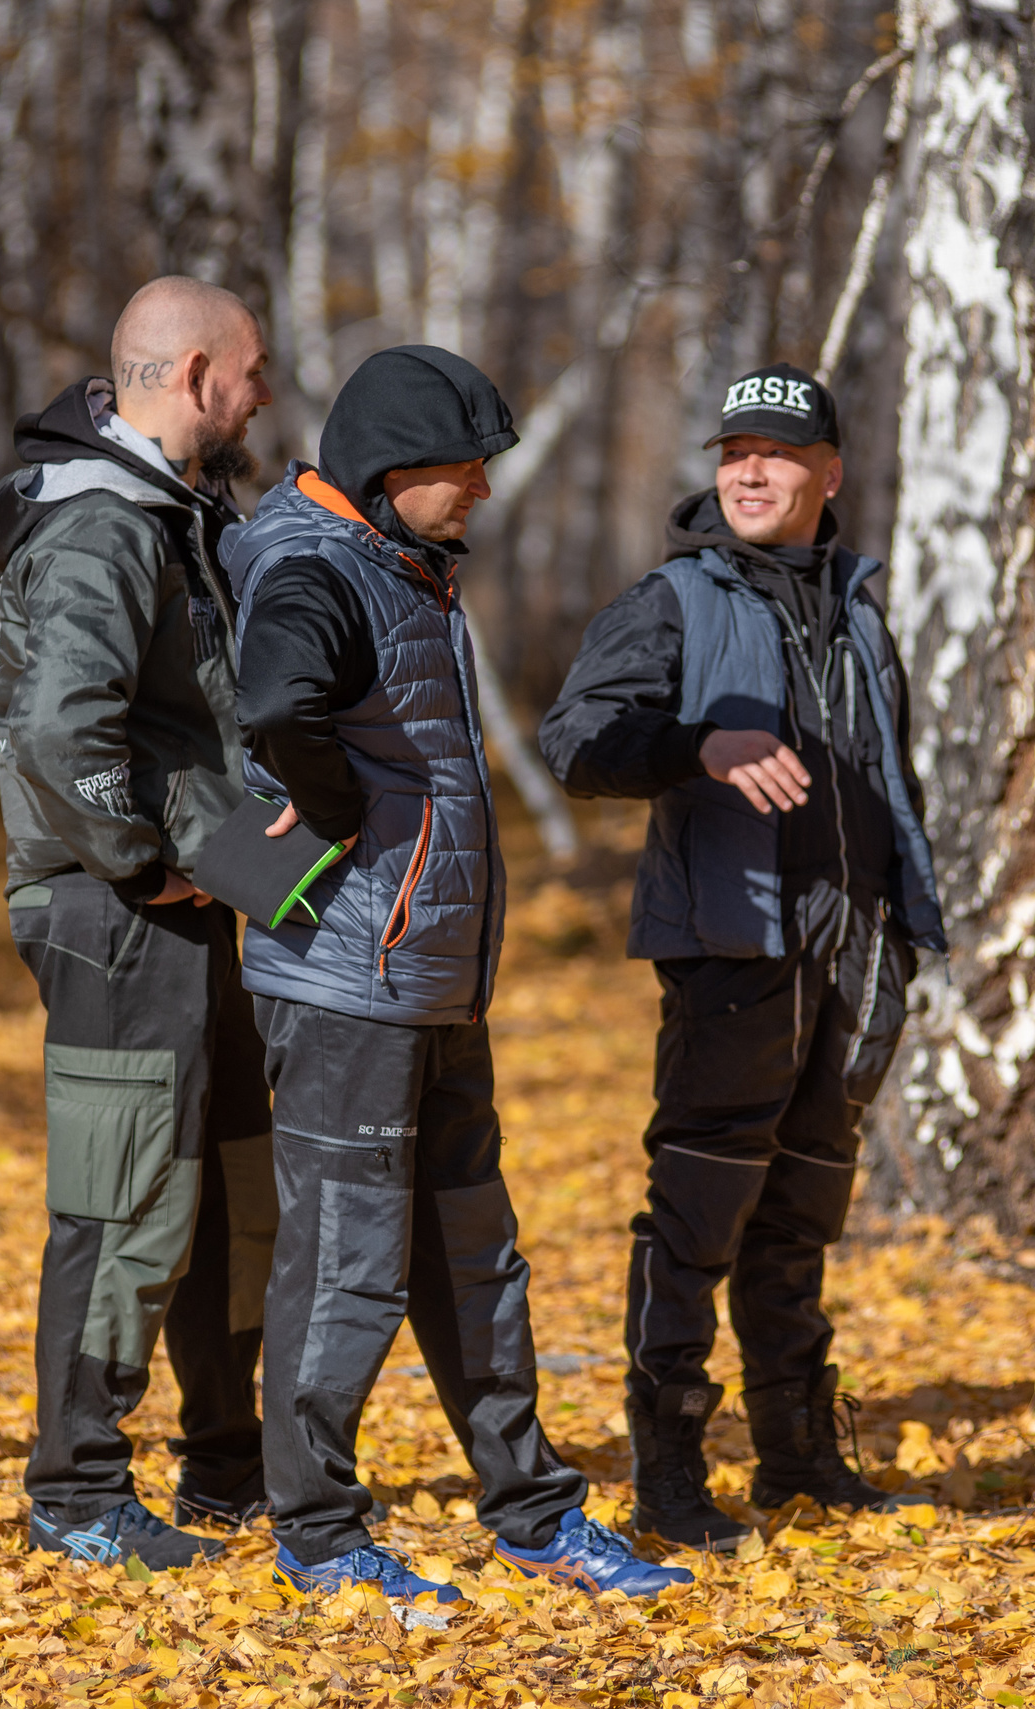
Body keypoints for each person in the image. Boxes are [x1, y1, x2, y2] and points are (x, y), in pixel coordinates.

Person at [222, 346, 692, 1611]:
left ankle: (533, 1510)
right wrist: (331, 811)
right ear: (392, 472)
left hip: (423, 979)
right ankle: (318, 1533)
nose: (482, 488)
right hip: (343, 984)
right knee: (343, 1264)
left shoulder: (398, 565)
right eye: (467, 468)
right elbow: (275, 704)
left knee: (474, 1254)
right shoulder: (315, 564)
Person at [538, 361, 948, 1551]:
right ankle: (666, 1468)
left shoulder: (858, 601)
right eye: (731, 453)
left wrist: (904, 916)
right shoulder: (673, 600)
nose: (749, 470)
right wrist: (696, 744)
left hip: (854, 949)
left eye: (775, 452)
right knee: (697, 1215)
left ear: (830, 473)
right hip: (733, 946)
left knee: (801, 1208)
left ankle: (798, 1457)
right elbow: (578, 739)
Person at [0, 277, 279, 1570]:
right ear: (199, 372)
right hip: (117, 914)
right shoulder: (101, 521)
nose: (263, 398)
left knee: (224, 1191)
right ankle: (79, 1494)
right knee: (126, 1196)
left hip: (185, 909)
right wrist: (140, 858)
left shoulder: (165, 510)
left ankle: (227, 1463)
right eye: (255, 374)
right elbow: (57, 726)